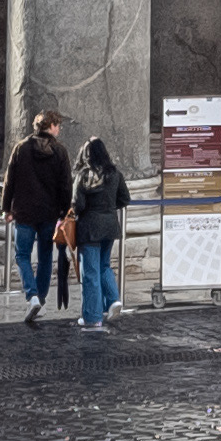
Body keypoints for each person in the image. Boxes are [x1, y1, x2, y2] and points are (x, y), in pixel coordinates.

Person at [1, 109, 72, 326]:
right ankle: (40, 297)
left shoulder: (21, 148)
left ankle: (31, 295)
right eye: (57, 125)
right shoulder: (60, 152)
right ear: (50, 126)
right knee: (44, 257)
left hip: (24, 211)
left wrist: (7, 208)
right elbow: (66, 185)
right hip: (49, 213)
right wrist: (65, 211)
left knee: (22, 255)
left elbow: (9, 180)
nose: (59, 129)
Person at [69, 134, 132, 331]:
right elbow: (125, 199)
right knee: (104, 265)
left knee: (90, 274)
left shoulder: (83, 176)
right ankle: (113, 299)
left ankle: (92, 317)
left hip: (89, 228)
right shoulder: (115, 174)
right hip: (110, 226)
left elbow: (77, 204)